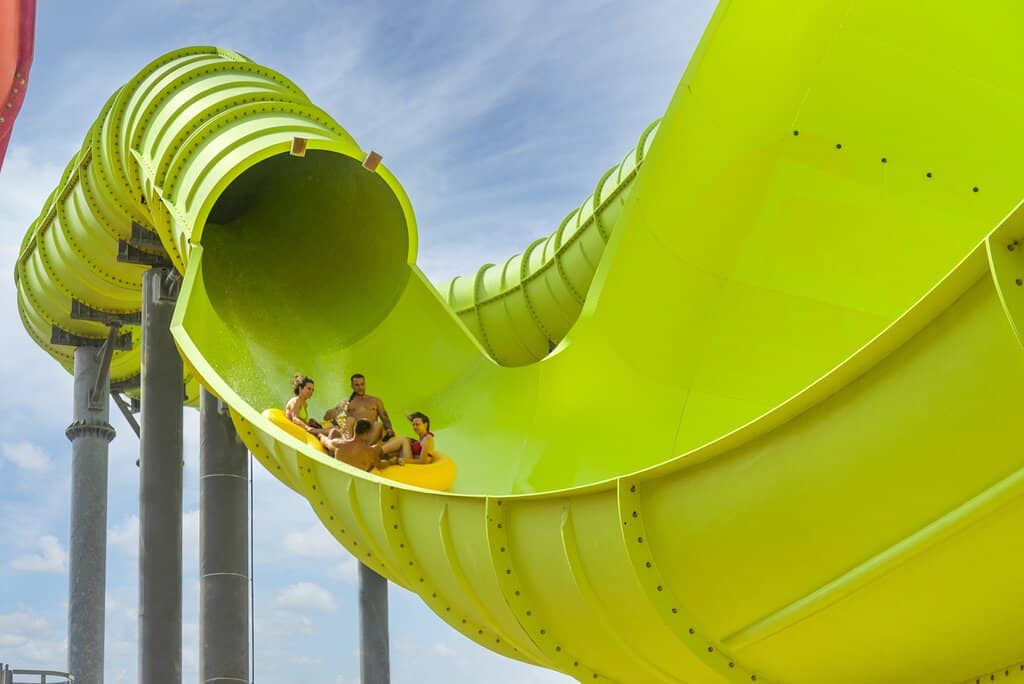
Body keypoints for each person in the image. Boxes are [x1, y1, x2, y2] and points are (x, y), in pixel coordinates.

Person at [334, 373, 394, 444]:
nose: (360, 387)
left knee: (378, 424)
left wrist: (389, 428)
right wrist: (336, 425)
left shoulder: (376, 401)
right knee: (350, 419)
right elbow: (331, 416)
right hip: (355, 433)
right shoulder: (348, 402)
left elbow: (384, 417)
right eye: (357, 385)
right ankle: (349, 444)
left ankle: (366, 446)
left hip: (371, 432)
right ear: (352, 386)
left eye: (362, 384)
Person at [321, 419, 392, 471]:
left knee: (334, 432)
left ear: (354, 429)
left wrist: (320, 435)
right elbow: (380, 465)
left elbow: (326, 442)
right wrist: (391, 462)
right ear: (367, 433)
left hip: (340, 473)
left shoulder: (339, 444)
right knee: (377, 449)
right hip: (357, 476)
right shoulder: (371, 452)